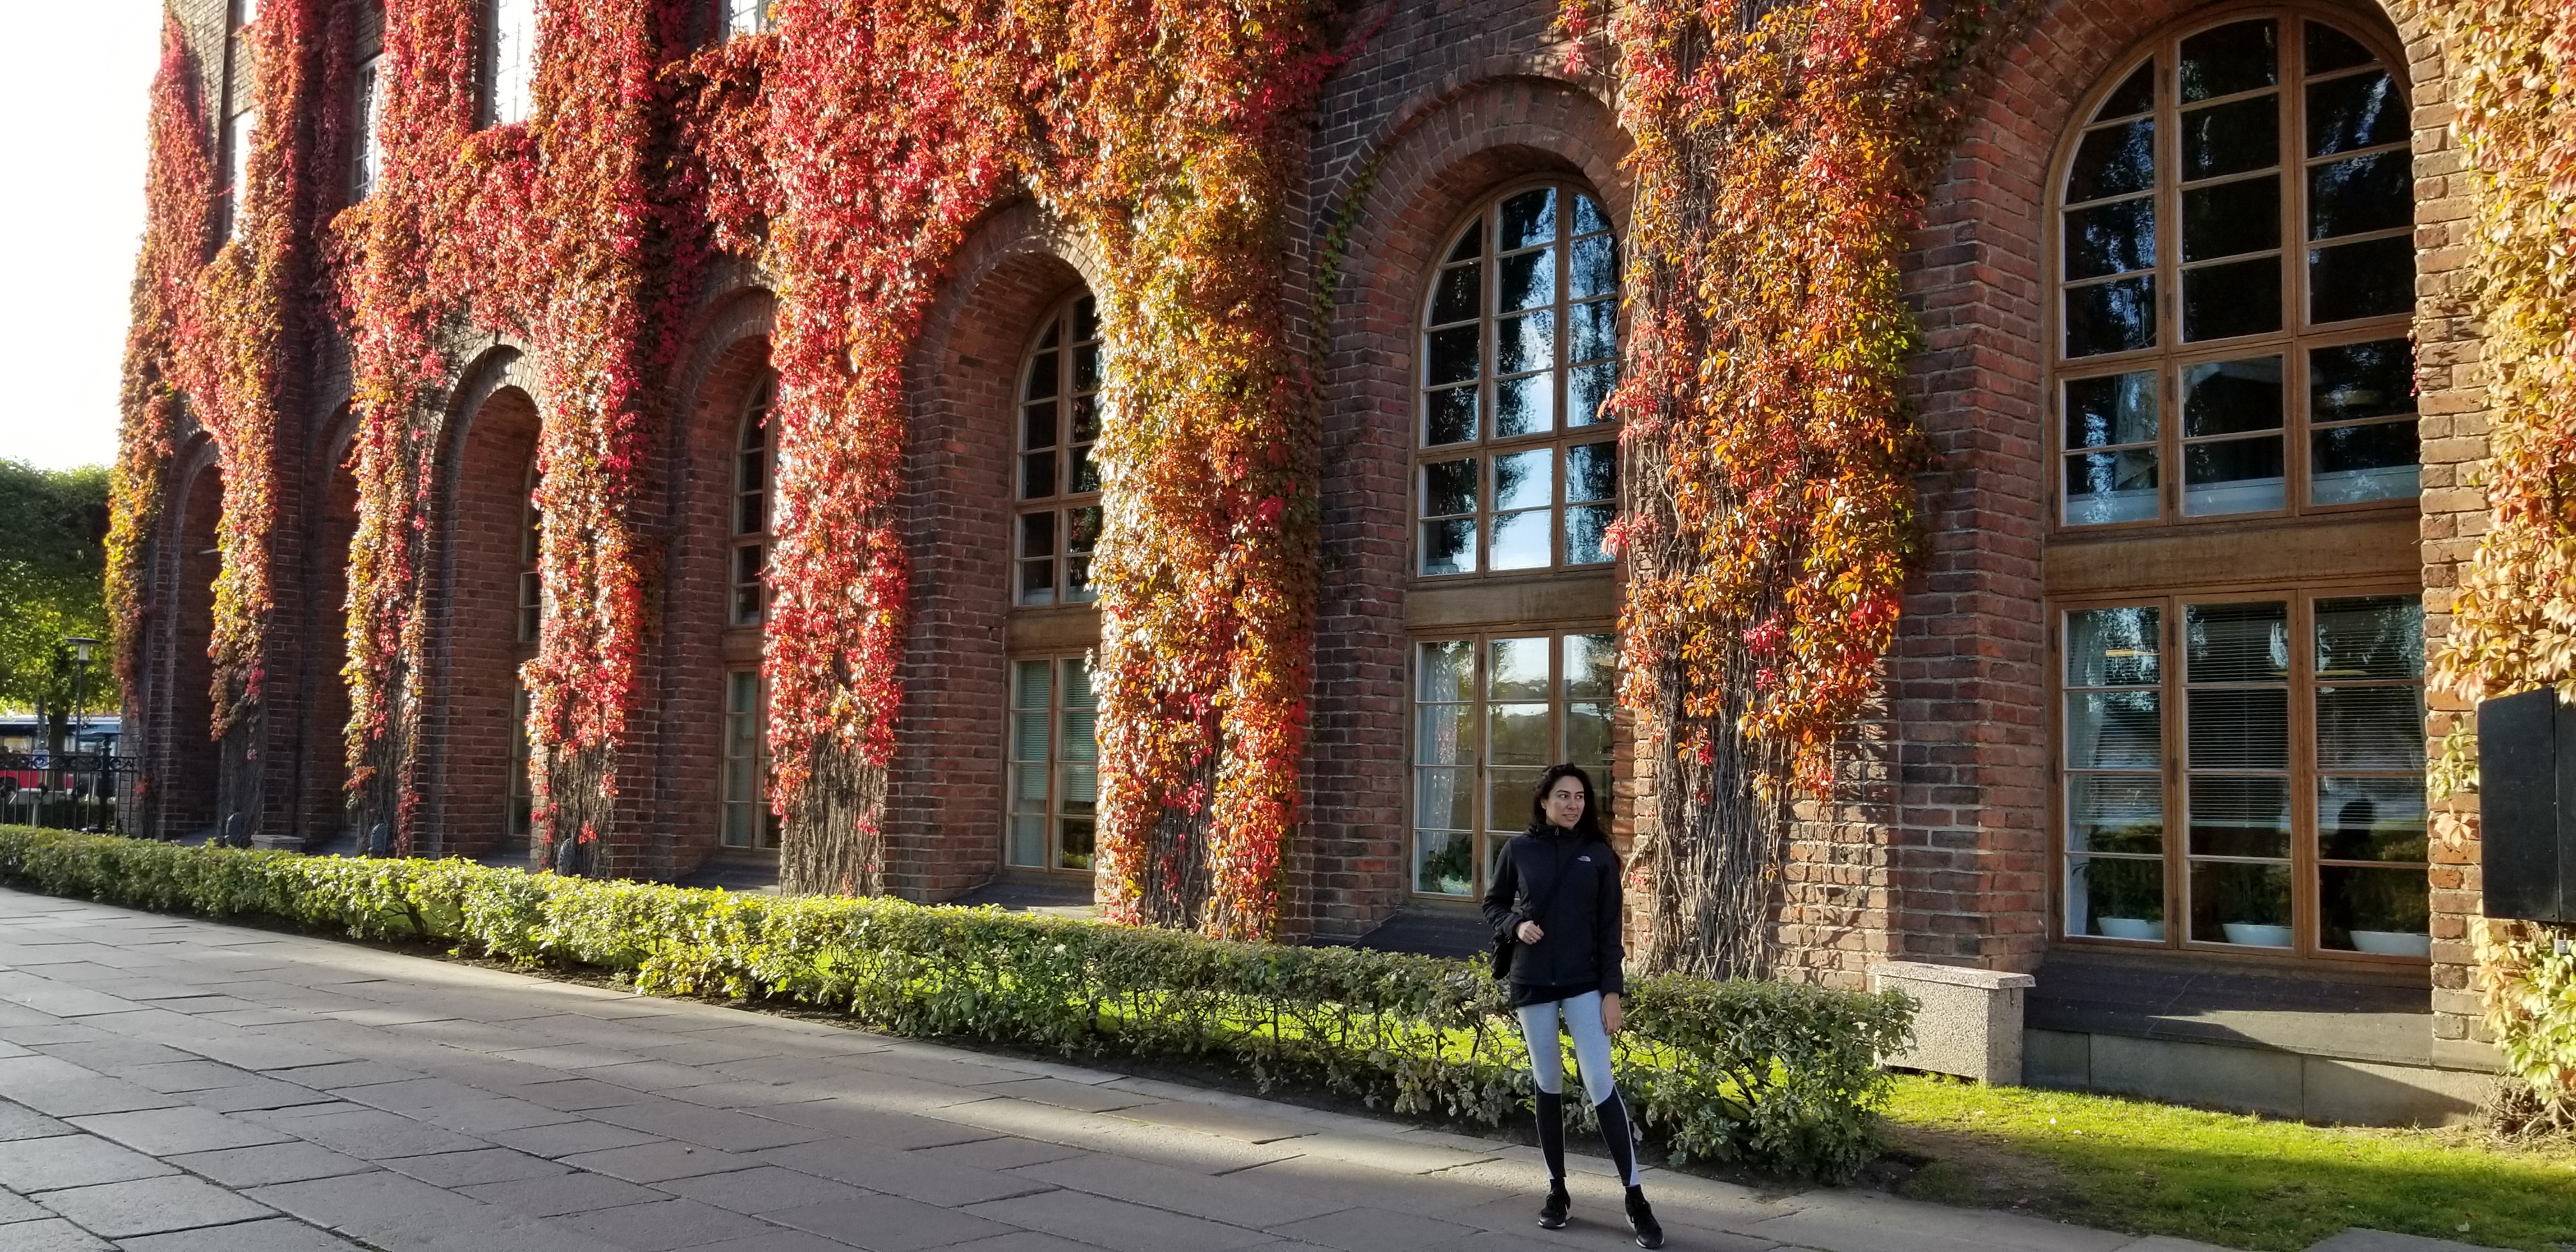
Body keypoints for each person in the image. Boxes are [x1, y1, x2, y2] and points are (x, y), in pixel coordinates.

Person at [1482, 763, 1662, 1248]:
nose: (1572, 804)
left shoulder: (1598, 855)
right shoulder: (1518, 850)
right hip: (1533, 981)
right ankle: (1558, 1191)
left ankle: (1635, 1197)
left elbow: (1610, 932)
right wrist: (1516, 925)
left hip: (1585, 984)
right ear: (1544, 800)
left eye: (1580, 797)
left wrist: (1612, 992)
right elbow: (1493, 904)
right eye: (1563, 796)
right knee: (1548, 1082)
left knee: (1600, 1082)